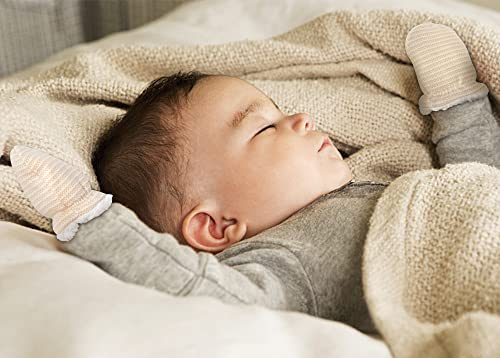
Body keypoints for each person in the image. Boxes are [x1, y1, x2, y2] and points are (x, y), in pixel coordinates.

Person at [18, 23, 500, 335]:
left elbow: (471, 182)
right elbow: (210, 293)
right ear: (218, 227)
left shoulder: (374, 173)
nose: (302, 119)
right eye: (265, 126)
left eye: (281, 112)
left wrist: (457, 102)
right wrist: (89, 219)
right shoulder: (283, 261)